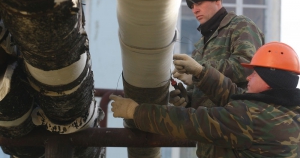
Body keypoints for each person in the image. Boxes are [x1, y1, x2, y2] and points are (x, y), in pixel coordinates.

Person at [110, 42, 300, 157]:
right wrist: (201, 73)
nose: (248, 77)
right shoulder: (286, 112)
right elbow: (235, 96)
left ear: (271, 79)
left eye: (255, 74)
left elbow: (190, 122)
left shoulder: (251, 118)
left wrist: (135, 112)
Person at [171, 0, 264, 156]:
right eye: (190, 4)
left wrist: (199, 71)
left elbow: (247, 68)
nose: (194, 9)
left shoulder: (240, 26)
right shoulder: (200, 46)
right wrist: (187, 99)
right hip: (208, 144)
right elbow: (204, 94)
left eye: (198, 1)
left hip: (237, 137)